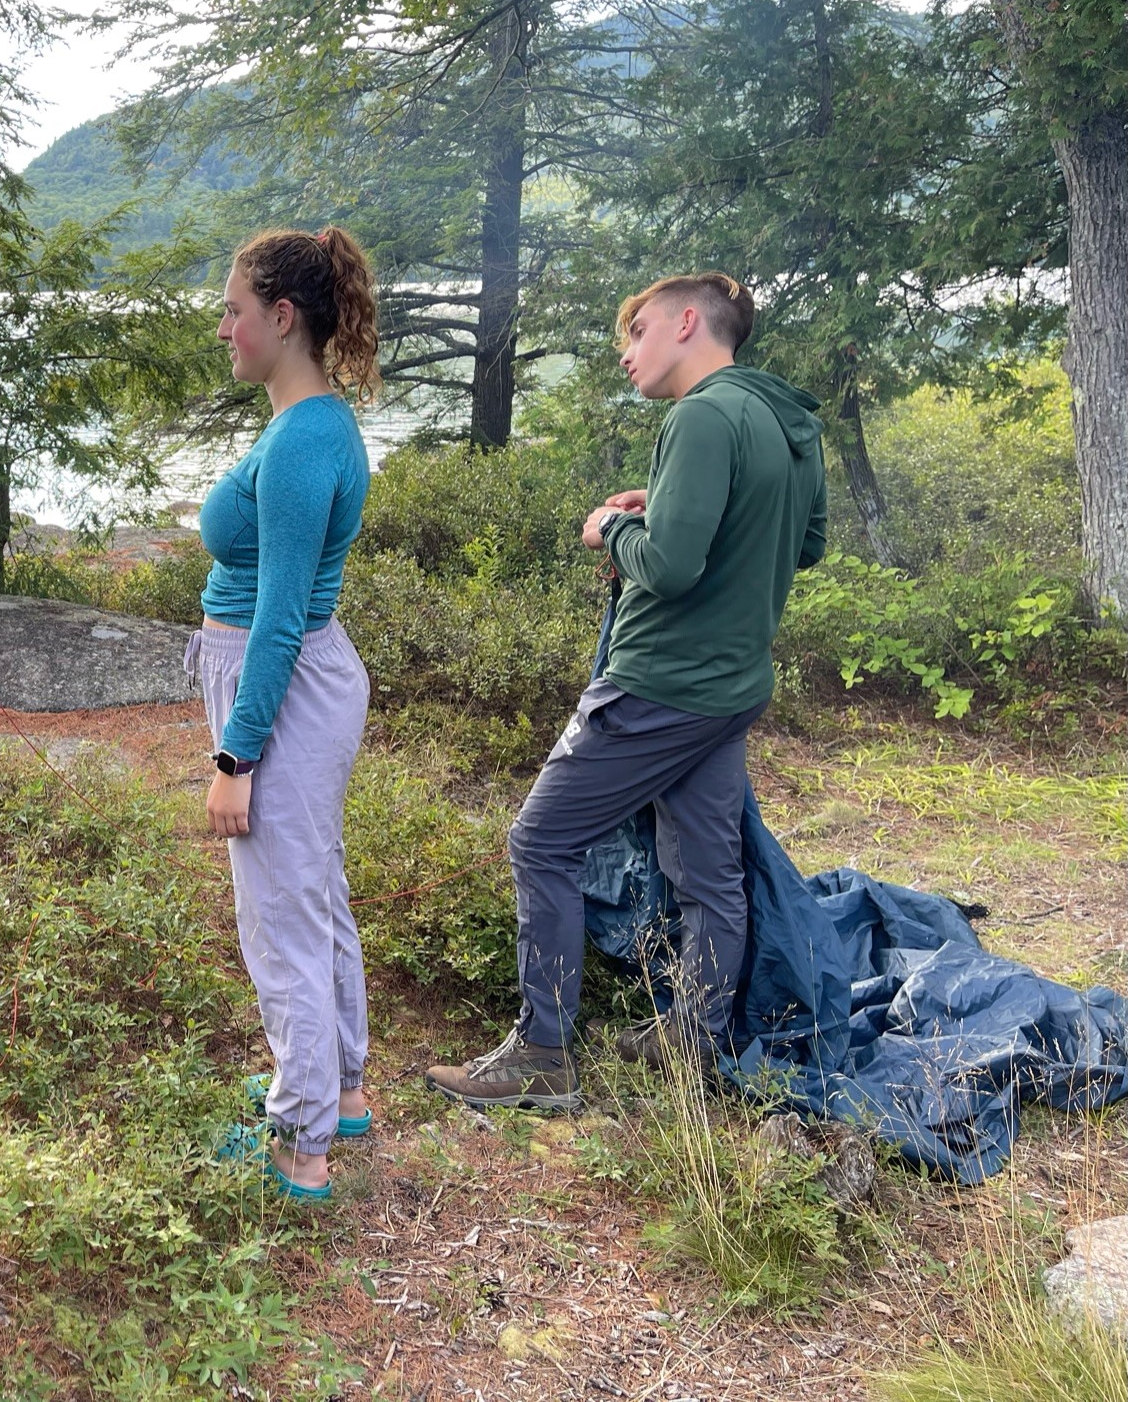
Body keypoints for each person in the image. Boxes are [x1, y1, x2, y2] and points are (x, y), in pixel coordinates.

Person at [426, 272, 828, 1110]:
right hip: (732, 684)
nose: (624, 352)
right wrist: (677, 503)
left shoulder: (700, 415)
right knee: (706, 875)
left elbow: (671, 569)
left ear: (687, 323)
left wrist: (610, 526)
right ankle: (690, 1043)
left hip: (658, 688)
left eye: (636, 330)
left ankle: (540, 1053)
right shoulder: (784, 418)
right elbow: (805, 541)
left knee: (539, 842)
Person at [191, 227, 379, 1200]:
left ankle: (299, 1146)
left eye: (233, 308)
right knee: (314, 896)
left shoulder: (306, 438)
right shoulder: (306, 423)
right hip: (296, 680)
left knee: (281, 921)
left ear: (281, 316)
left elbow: (276, 618)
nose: (221, 325)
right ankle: (339, 1093)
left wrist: (236, 758)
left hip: (283, 686)